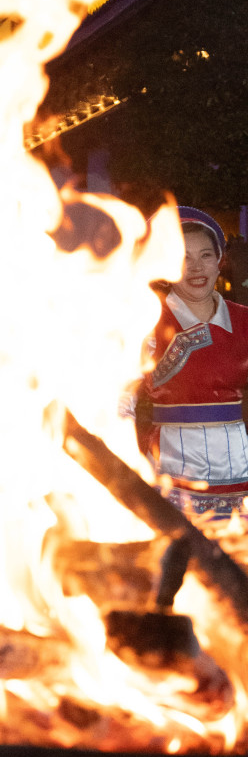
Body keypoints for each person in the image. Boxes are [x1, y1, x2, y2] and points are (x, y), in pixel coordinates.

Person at [135, 206, 248, 529]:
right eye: (183, 258)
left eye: (205, 256)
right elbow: (120, 400)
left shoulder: (243, 320)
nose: (196, 268)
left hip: (238, 463)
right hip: (173, 464)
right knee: (184, 551)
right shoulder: (143, 321)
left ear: (219, 260)